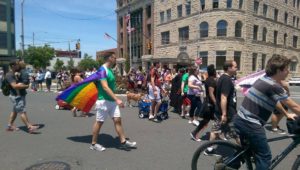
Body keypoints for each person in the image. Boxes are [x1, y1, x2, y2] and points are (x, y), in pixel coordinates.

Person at [234, 54, 300, 169]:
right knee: (264, 156)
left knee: (249, 151)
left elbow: (275, 101)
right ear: (279, 70)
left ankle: (227, 165)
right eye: (286, 69)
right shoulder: (273, 85)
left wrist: (286, 114)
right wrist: (291, 110)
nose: (288, 71)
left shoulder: (264, 79)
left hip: (241, 119)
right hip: (250, 124)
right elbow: (294, 106)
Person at [90, 52, 137, 151]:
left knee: (117, 120)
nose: (115, 59)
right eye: (114, 58)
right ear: (109, 58)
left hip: (111, 101)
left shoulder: (110, 70)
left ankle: (123, 142)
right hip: (103, 101)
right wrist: (117, 99)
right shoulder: (102, 70)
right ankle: (93, 144)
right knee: (99, 122)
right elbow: (105, 87)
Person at [204, 60, 238, 155]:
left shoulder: (223, 78)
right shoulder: (226, 80)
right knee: (236, 132)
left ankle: (209, 149)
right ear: (229, 68)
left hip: (221, 111)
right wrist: (224, 114)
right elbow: (223, 97)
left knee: (215, 130)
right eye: (235, 67)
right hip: (227, 112)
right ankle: (245, 152)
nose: (237, 68)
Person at [6, 60, 39, 133]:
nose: (18, 65)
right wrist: (26, 85)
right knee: (22, 111)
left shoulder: (14, 73)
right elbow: (14, 86)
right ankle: (29, 127)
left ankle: (10, 126)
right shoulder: (9, 74)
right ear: (13, 66)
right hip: (16, 95)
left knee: (14, 111)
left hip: (17, 95)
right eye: (17, 64)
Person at [190, 64, 217, 141]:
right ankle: (195, 133)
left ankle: (216, 134)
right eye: (215, 71)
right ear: (214, 72)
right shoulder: (211, 81)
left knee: (208, 120)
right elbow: (211, 94)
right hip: (210, 104)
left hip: (208, 103)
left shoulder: (209, 79)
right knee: (213, 120)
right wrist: (216, 103)